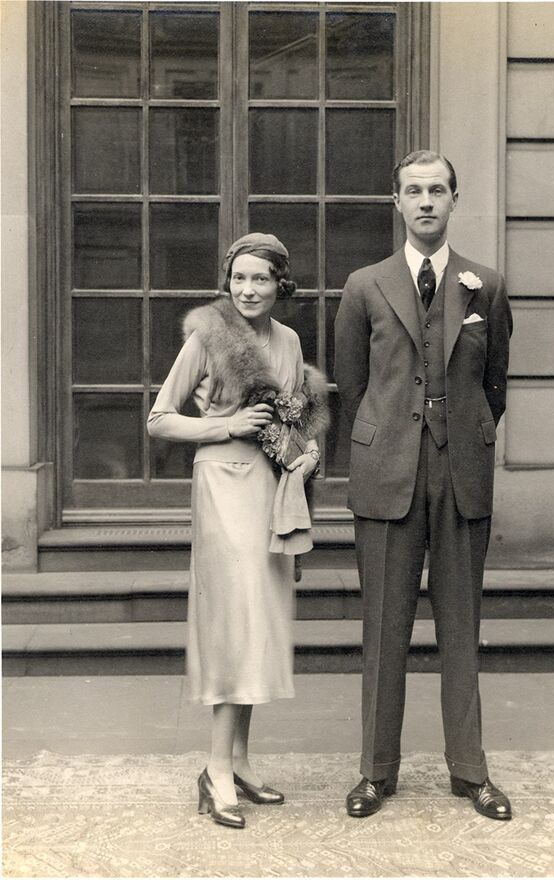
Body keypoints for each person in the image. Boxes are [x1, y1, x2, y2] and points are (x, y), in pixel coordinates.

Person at [334, 151, 513, 821]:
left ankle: (471, 772)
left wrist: (462, 432)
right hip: (389, 474)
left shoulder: (485, 286)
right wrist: (393, 440)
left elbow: (496, 383)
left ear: (454, 199)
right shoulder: (365, 285)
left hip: (461, 470)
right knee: (384, 626)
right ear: (398, 202)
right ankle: (375, 773)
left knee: (461, 627)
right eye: (414, 190)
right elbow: (354, 385)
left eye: (438, 189)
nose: (427, 201)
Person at [148, 233, 326, 829]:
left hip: (274, 489)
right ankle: (215, 769)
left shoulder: (291, 341)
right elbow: (160, 419)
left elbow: (291, 417)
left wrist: (307, 451)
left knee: (262, 619)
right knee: (235, 619)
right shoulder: (208, 336)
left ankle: (242, 761)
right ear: (227, 281)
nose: (248, 290)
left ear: (281, 285)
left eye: (262, 279)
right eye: (239, 278)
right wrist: (224, 428)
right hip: (223, 486)